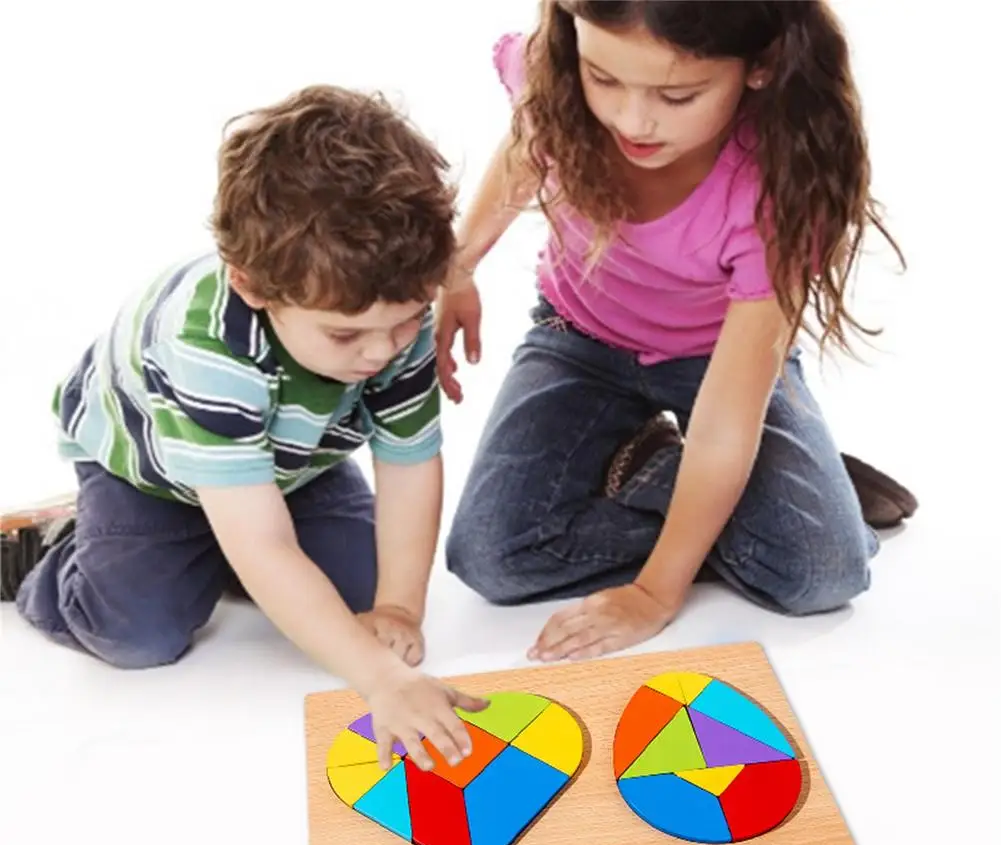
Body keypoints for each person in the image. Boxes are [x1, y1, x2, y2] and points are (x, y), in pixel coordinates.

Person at [2, 85, 486, 771]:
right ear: (253, 286)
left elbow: (409, 465)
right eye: (345, 334)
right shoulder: (209, 348)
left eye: (407, 320)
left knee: (360, 598)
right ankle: (49, 550)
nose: (382, 351)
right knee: (139, 633)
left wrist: (400, 607)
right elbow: (263, 542)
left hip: (292, 464)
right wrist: (379, 679)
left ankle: (231, 549)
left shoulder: (390, 308)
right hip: (151, 475)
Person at [437, 0, 917, 664]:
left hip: (720, 366)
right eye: (603, 79)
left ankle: (769, 490)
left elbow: (726, 417)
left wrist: (654, 592)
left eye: (677, 95)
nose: (632, 120)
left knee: (822, 573)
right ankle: (692, 478)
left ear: (760, 64)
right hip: (578, 338)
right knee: (493, 556)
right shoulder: (557, 70)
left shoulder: (773, 189)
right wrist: (459, 264)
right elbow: (527, 145)